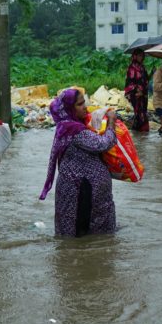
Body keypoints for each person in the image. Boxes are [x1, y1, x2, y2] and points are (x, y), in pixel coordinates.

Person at [40, 88, 118, 237]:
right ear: (69, 108)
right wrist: (111, 122)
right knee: (81, 234)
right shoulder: (72, 129)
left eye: (84, 103)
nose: (85, 107)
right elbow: (103, 143)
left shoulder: (70, 125)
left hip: (82, 187)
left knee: (85, 235)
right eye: (79, 104)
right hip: (80, 191)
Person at [124, 49, 150, 132]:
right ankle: (142, 133)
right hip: (135, 94)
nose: (141, 57)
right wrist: (137, 90)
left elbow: (145, 80)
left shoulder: (143, 67)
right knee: (139, 113)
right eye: (139, 55)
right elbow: (129, 82)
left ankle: (137, 134)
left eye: (142, 55)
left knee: (143, 113)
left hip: (143, 94)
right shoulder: (131, 68)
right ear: (134, 56)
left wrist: (152, 73)